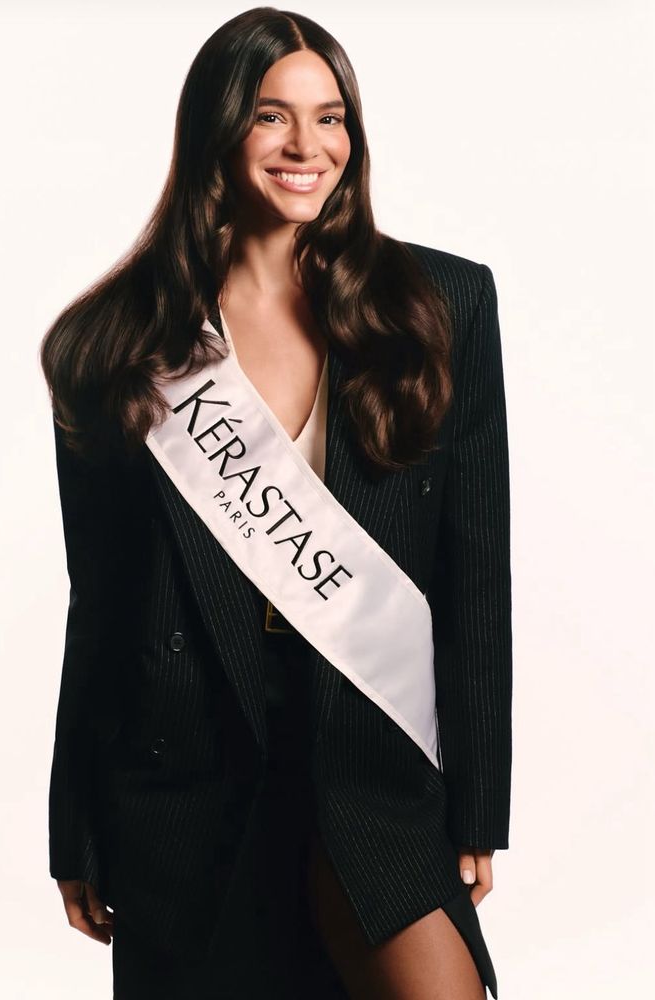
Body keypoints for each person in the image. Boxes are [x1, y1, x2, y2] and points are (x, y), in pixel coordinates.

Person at [40, 7, 512, 999]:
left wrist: (478, 803)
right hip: (185, 771)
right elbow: (101, 599)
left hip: (370, 751)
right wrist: (74, 823)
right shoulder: (115, 341)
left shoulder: (440, 305)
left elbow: (474, 572)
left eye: (330, 117)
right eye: (272, 116)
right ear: (218, 128)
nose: (308, 147)